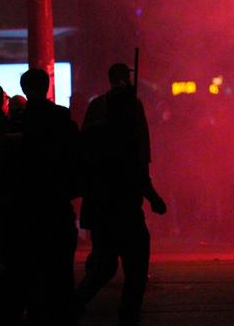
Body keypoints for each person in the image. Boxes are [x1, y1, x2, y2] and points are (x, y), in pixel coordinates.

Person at [75, 63, 167, 326]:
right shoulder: (129, 119)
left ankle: (74, 305)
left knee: (104, 265)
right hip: (125, 209)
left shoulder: (95, 116)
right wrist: (153, 196)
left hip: (101, 208)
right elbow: (139, 163)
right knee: (135, 272)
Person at [0, 68, 81, 324]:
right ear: (47, 87)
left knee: (25, 278)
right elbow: (76, 160)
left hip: (23, 212)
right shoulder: (60, 118)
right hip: (56, 208)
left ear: (24, 89)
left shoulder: (16, 124)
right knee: (60, 278)